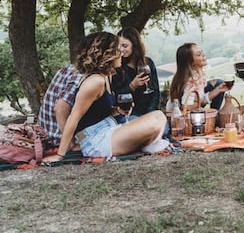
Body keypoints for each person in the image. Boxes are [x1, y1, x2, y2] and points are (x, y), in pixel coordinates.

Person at [42, 32, 167, 163]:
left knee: (159, 116)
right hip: (96, 140)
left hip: (108, 129)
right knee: (154, 123)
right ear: (107, 54)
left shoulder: (106, 76)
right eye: (117, 50)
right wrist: (62, 154)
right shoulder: (95, 81)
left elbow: (96, 112)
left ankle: (146, 144)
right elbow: (74, 118)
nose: (121, 53)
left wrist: (117, 111)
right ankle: (147, 144)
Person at [38, 34, 100, 147]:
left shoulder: (70, 68)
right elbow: (60, 109)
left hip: (49, 133)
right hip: (58, 138)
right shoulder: (80, 76)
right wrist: (71, 144)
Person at [112, 27, 160, 122]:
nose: (121, 50)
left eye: (125, 46)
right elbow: (117, 97)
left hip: (148, 113)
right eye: (119, 46)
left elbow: (155, 92)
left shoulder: (148, 63)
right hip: (129, 114)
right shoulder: (118, 67)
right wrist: (132, 86)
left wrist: (151, 113)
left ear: (135, 45)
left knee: (164, 127)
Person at [168, 43, 229, 111]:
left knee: (218, 83)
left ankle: (213, 116)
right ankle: (213, 117)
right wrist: (200, 104)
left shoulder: (198, 75)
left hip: (191, 110)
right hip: (182, 116)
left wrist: (219, 89)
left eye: (202, 52)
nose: (204, 55)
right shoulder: (192, 80)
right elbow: (186, 107)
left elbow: (201, 99)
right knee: (224, 116)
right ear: (191, 62)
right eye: (199, 54)